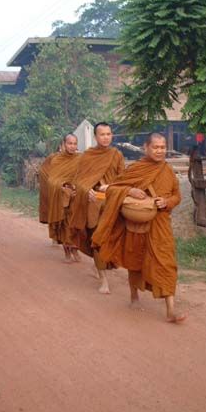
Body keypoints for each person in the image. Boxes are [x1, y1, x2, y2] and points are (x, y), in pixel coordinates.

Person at [92, 133, 187, 323]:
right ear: (146, 148)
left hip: (160, 224)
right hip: (137, 224)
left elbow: (177, 196)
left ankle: (170, 310)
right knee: (135, 259)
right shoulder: (136, 169)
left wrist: (166, 202)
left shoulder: (168, 171)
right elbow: (113, 188)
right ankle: (134, 296)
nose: (159, 151)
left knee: (166, 263)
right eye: (156, 147)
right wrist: (130, 191)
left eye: (162, 147)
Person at [69, 122, 125, 293]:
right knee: (97, 239)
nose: (106, 137)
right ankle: (104, 280)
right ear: (95, 137)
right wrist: (86, 190)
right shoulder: (88, 156)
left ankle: (99, 265)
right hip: (93, 204)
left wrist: (111, 187)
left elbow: (123, 179)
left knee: (111, 240)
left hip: (112, 204)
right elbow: (78, 181)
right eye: (102, 134)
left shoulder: (116, 155)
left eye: (108, 134)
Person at [44, 134, 81, 262]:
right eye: (70, 143)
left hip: (76, 197)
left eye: (75, 143)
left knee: (76, 225)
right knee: (65, 225)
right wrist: (62, 187)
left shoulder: (80, 159)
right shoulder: (57, 160)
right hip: (62, 198)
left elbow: (83, 177)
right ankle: (67, 253)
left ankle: (75, 249)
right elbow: (51, 180)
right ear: (64, 144)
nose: (72, 146)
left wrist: (77, 187)